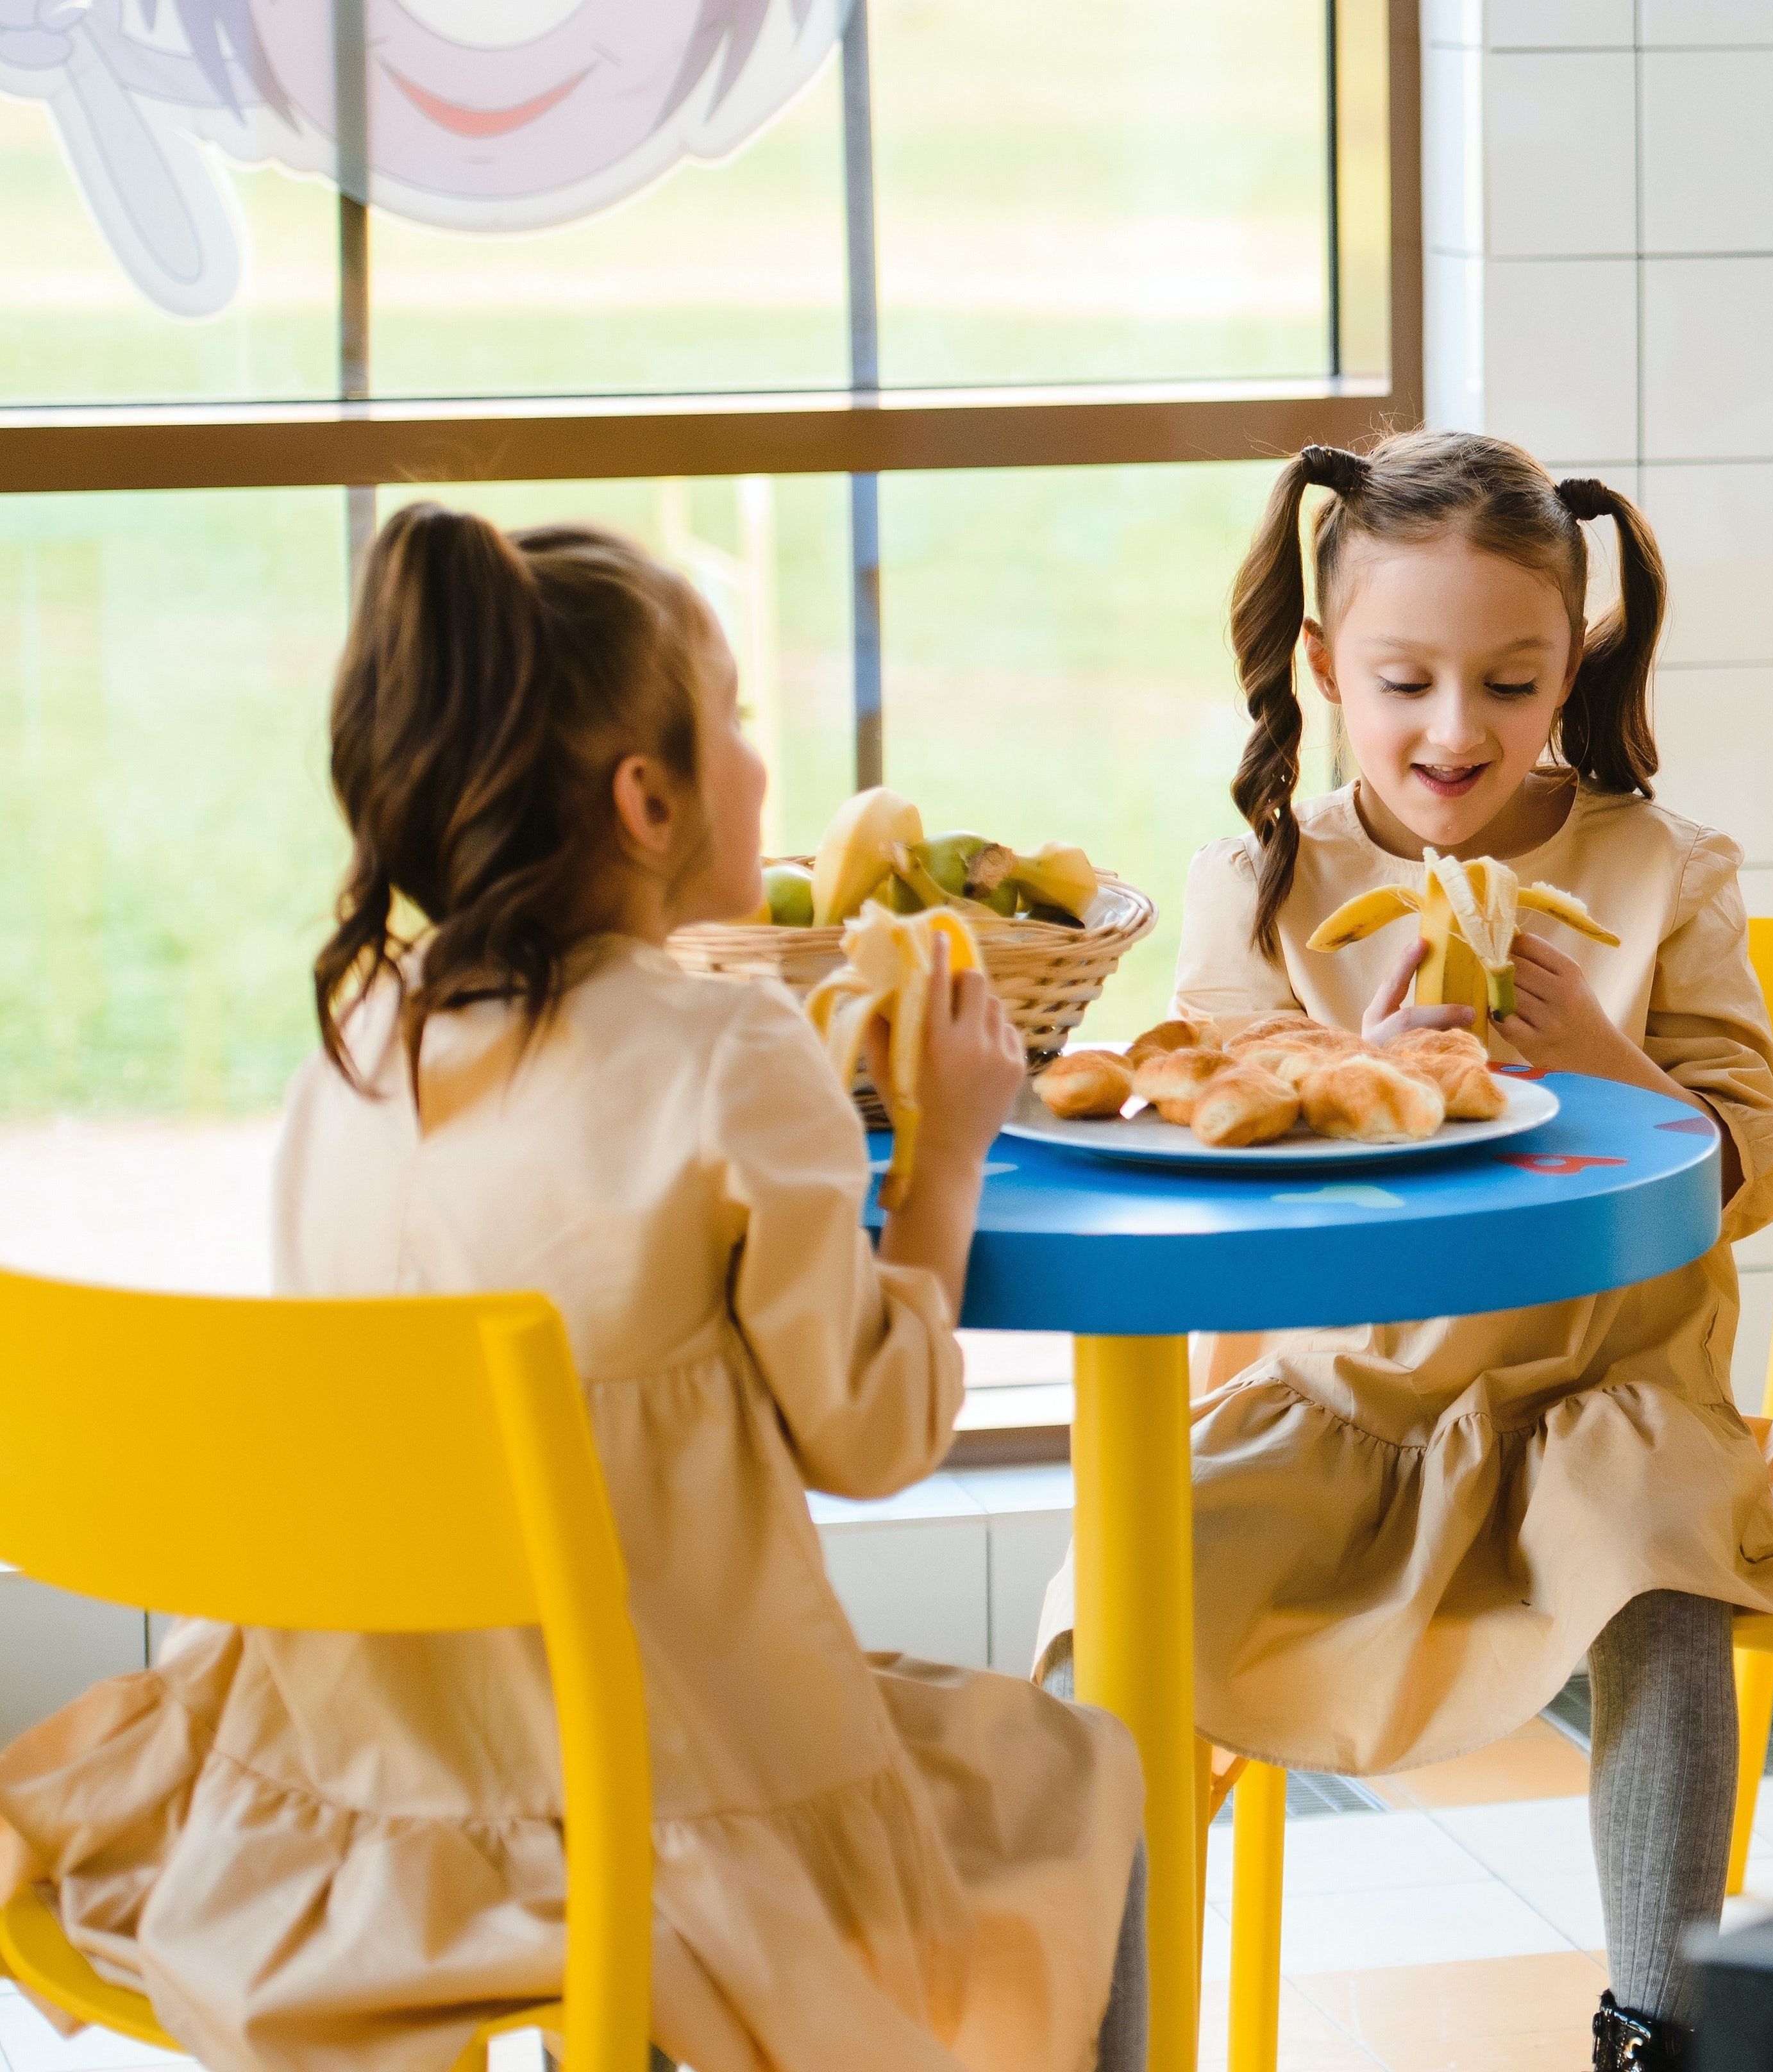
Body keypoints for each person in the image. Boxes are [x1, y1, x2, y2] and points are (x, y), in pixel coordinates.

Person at [0, 506, 1147, 2072]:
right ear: (648, 796)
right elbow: (872, 1436)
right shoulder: (735, 1056)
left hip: (354, 1798)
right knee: (1073, 1768)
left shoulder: (353, 1044)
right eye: (735, 717)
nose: (759, 756)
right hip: (653, 1811)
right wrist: (945, 1151)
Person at [1055, 433, 1773, 2070]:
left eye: (1509, 680)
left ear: (1572, 671)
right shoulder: (1258, 890)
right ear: (1327, 669)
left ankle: (1656, 2030)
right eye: (1404, 681)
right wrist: (1355, 1086)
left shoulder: (1655, 868)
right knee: (1111, 1608)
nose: (1454, 729)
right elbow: (1217, 1180)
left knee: (1665, 1592)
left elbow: (1753, 1161)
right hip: (1344, 1416)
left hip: (1601, 1402)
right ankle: (1097, 2034)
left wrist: (1606, 1063)